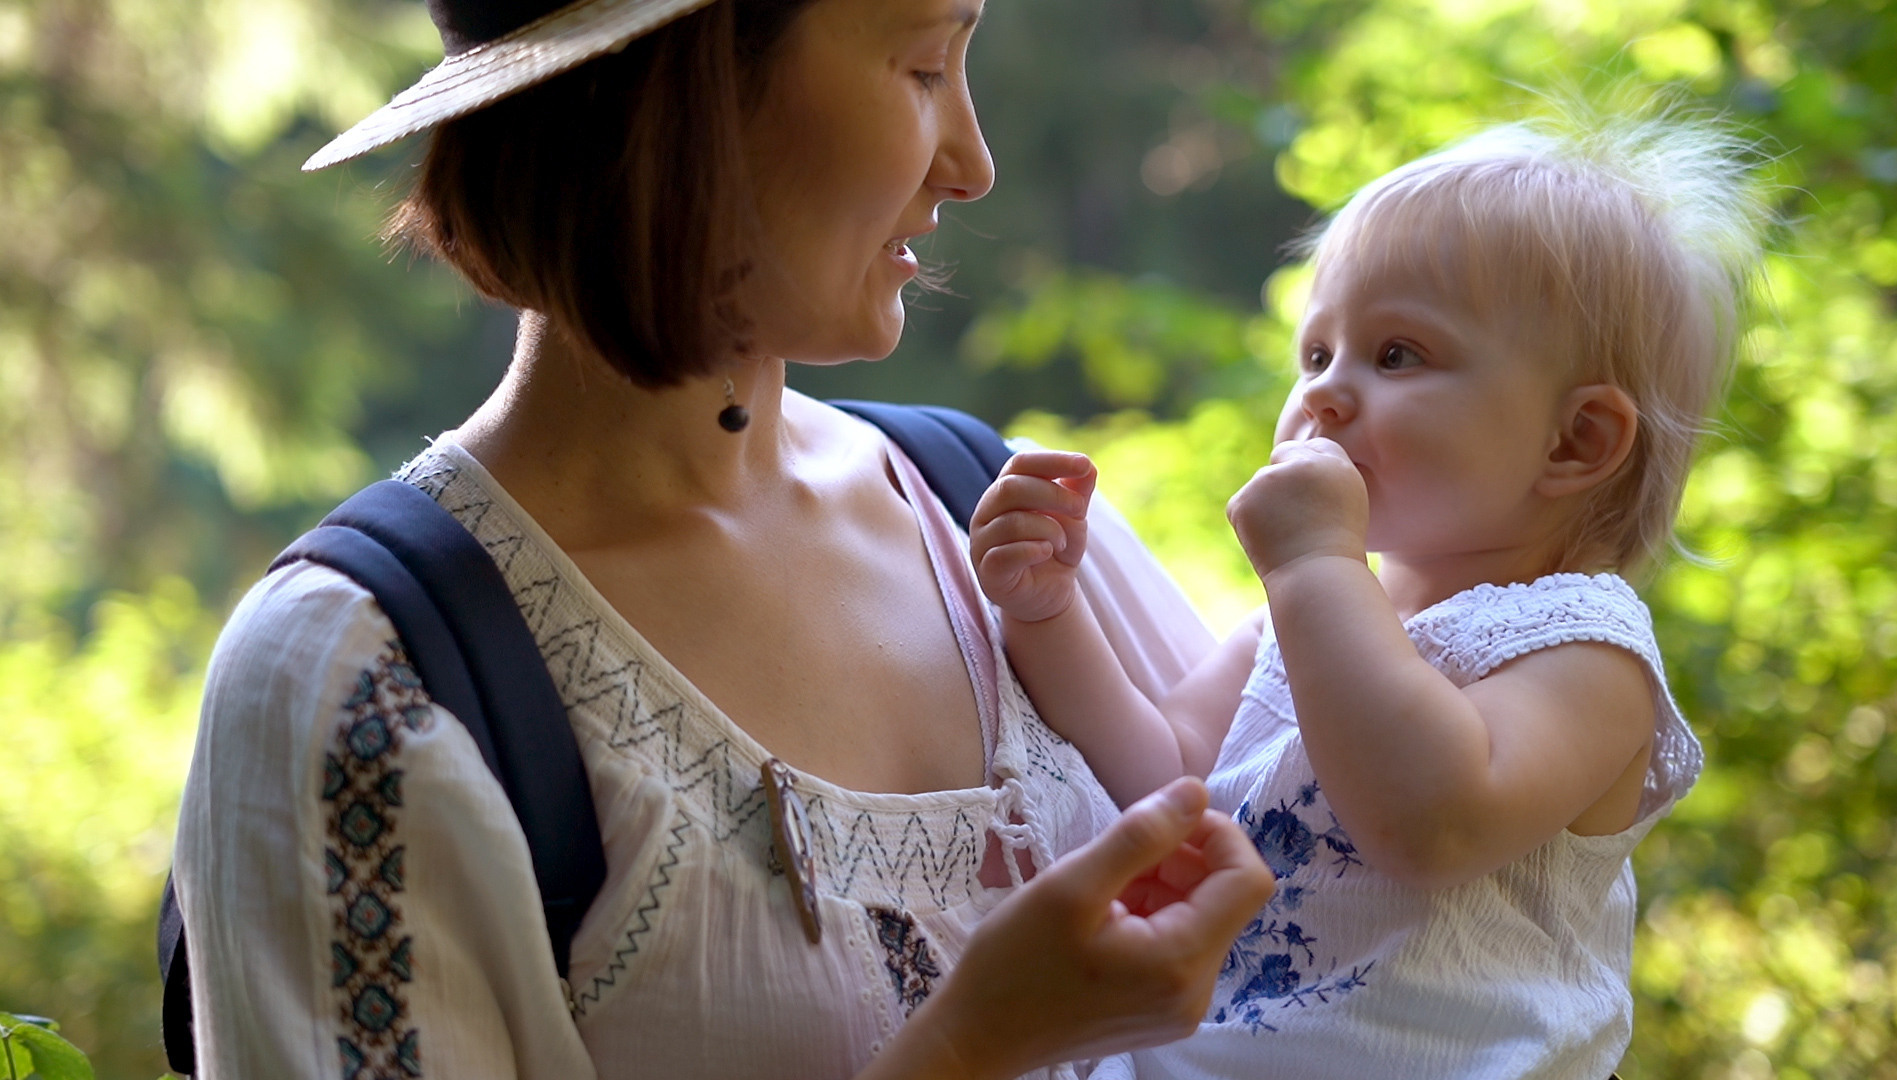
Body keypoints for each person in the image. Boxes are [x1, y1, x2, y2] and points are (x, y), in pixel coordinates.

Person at [168, 0, 1276, 1077]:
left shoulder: (996, 517)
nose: (973, 165)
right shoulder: (363, 684)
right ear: (685, 102)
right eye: (925, 67)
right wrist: (978, 1046)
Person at [970, 107, 1769, 1077]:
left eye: (1397, 356)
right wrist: (1048, 611)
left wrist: (1315, 567)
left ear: (1575, 442)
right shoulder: (1309, 620)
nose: (1321, 394)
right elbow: (1167, 780)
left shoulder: (1585, 651)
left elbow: (1435, 824)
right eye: (1316, 355)